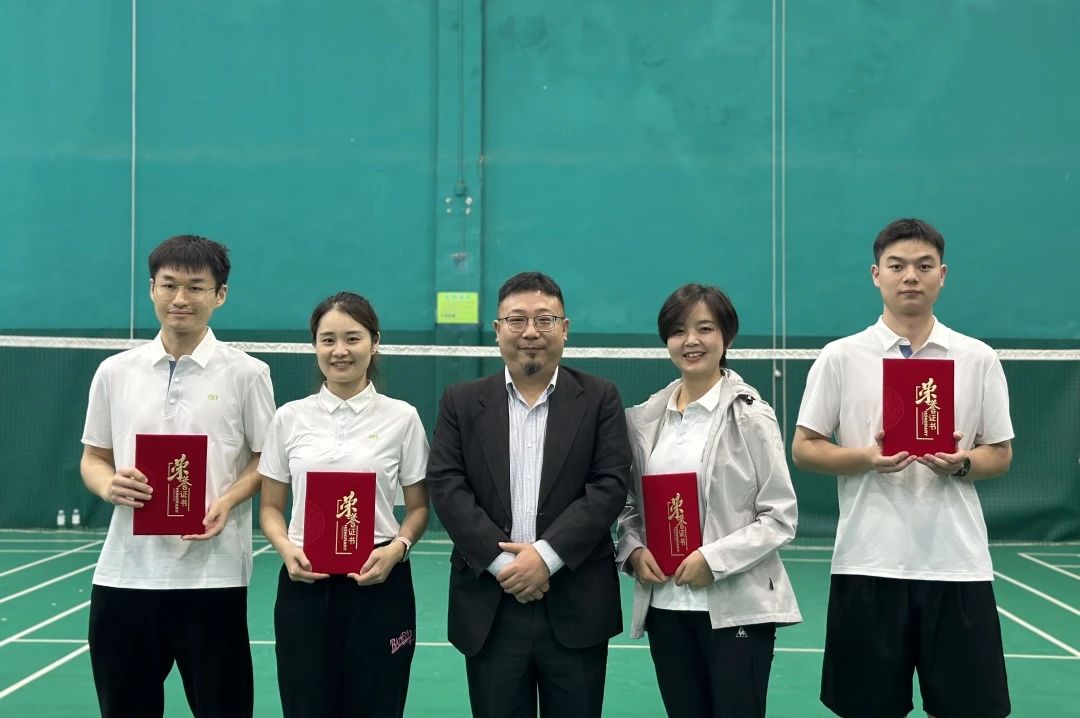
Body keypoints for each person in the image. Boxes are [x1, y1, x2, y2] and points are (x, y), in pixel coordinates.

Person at [792, 218, 1014, 718]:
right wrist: (865, 459)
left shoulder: (978, 358)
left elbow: (999, 454)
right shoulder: (840, 357)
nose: (910, 276)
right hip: (867, 563)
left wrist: (962, 464)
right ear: (877, 275)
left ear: (943, 275)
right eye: (897, 266)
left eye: (923, 266)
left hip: (957, 565)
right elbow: (805, 448)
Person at [80, 234, 275, 717]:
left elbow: (267, 461)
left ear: (220, 294)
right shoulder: (114, 372)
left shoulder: (247, 373)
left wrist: (226, 501)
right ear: (152, 288)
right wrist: (107, 484)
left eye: (196, 287)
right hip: (125, 575)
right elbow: (94, 457)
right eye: (169, 285)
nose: (180, 298)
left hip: (213, 576)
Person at [426, 271, 632, 718]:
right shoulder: (460, 401)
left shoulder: (600, 398)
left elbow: (610, 485)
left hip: (576, 602)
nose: (531, 332)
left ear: (565, 328)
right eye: (517, 320)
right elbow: (446, 486)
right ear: (497, 329)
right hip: (490, 606)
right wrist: (507, 566)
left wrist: (546, 557)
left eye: (544, 319)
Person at [616, 283, 802, 718]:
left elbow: (780, 517)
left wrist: (712, 560)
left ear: (726, 337)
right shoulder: (643, 421)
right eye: (679, 331)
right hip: (666, 606)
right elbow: (629, 508)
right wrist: (634, 549)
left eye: (705, 328)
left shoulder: (752, 416)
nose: (691, 341)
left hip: (737, 609)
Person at [258, 291, 429, 718]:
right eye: (328, 339)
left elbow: (419, 509)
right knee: (306, 706)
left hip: (379, 579)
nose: (340, 351)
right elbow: (271, 508)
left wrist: (397, 549)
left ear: (374, 342)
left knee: (378, 705)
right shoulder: (288, 418)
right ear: (315, 345)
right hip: (304, 582)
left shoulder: (402, 417)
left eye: (352, 338)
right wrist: (286, 549)